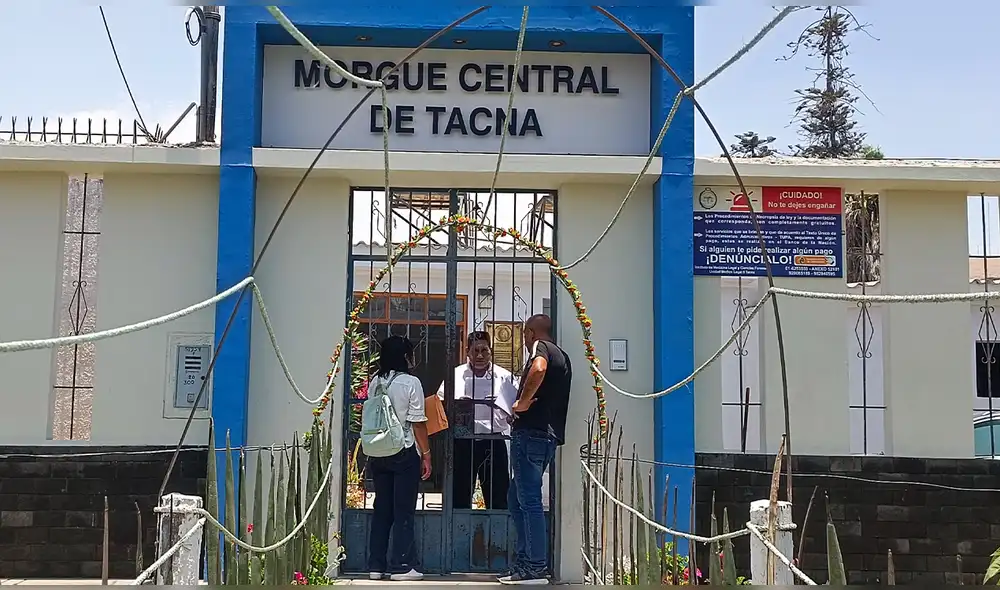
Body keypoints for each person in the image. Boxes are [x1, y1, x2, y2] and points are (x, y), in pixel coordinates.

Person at [500, 314, 572, 586]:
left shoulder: (541, 349)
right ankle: (524, 562)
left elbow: (538, 369)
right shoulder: (563, 357)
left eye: (524, 334)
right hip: (545, 436)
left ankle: (534, 567)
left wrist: (522, 402)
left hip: (531, 434)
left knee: (528, 501)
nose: (524, 339)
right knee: (515, 498)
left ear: (530, 332)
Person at [366, 335, 433, 582]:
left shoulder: (375, 381)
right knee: (403, 511)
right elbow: (417, 422)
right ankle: (402, 565)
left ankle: (376, 565)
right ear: (405, 356)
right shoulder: (410, 382)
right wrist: (426, 455)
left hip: (378, 451)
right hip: (403, 451)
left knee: (382, 509)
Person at [437, 331, 519, 509]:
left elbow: (516, 411)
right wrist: (457, 408)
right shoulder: (455, 376)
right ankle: (459, 527)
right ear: (467, 351)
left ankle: (497, 528)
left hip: (493, 441)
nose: (480, 356)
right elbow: (440, 407)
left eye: (484, 350)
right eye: (475, 351)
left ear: (491, 351)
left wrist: (502, 409)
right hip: (463, 441)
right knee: (459, 497)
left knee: (498, 497)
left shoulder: (505, 377)